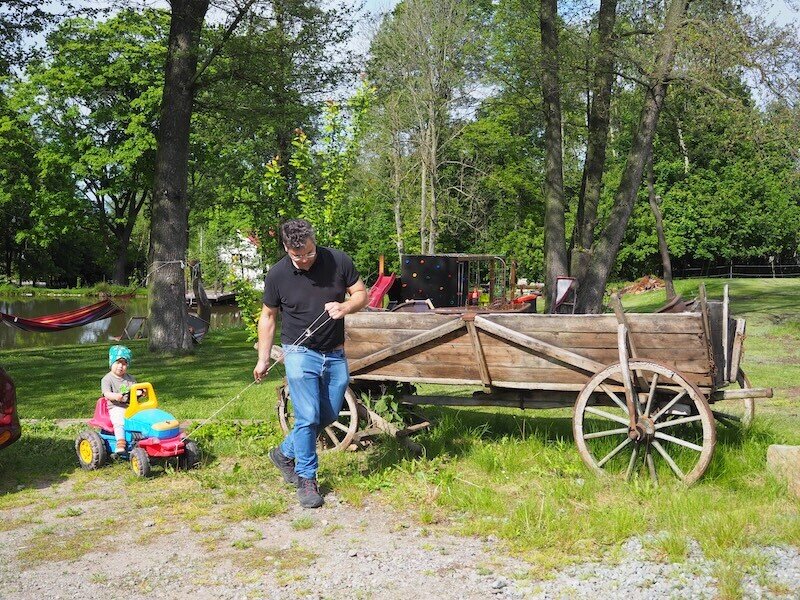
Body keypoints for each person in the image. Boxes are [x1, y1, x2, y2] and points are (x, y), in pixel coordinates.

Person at [253, 219, 368, 508]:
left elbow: (361, 294)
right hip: (299, 352)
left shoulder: (338, 260)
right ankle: (307, 479)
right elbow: (268, 316)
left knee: (327, 415)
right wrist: (263, 358)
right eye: (297, 256)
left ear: (314, 243)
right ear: (286, 248)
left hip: (335, 353)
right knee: (306, 416)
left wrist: (345, 306)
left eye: (309, 253)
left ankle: (283, 453)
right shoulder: (278, 274)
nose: (304, 260)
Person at [101, 345, 136, 454]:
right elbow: (106, 393)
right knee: (119, 420)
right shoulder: (107, 379)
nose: (120, 366)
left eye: (124, 363)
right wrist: (115, 396)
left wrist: (140, 392)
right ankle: (120, 442)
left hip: (131, 406)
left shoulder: (130, 378)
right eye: (117, 363)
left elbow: (135, 389)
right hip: (115, 407)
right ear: (111, 363)